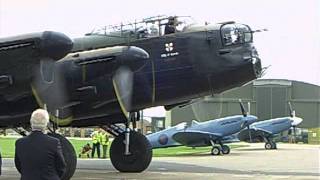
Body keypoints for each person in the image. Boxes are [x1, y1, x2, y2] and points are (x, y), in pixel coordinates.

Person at [14, 109, 66, 180]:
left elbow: (19, 165)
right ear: (46, 124)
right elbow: (61, 166)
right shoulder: (54, 142)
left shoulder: (20, 143)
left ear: (31, 123)